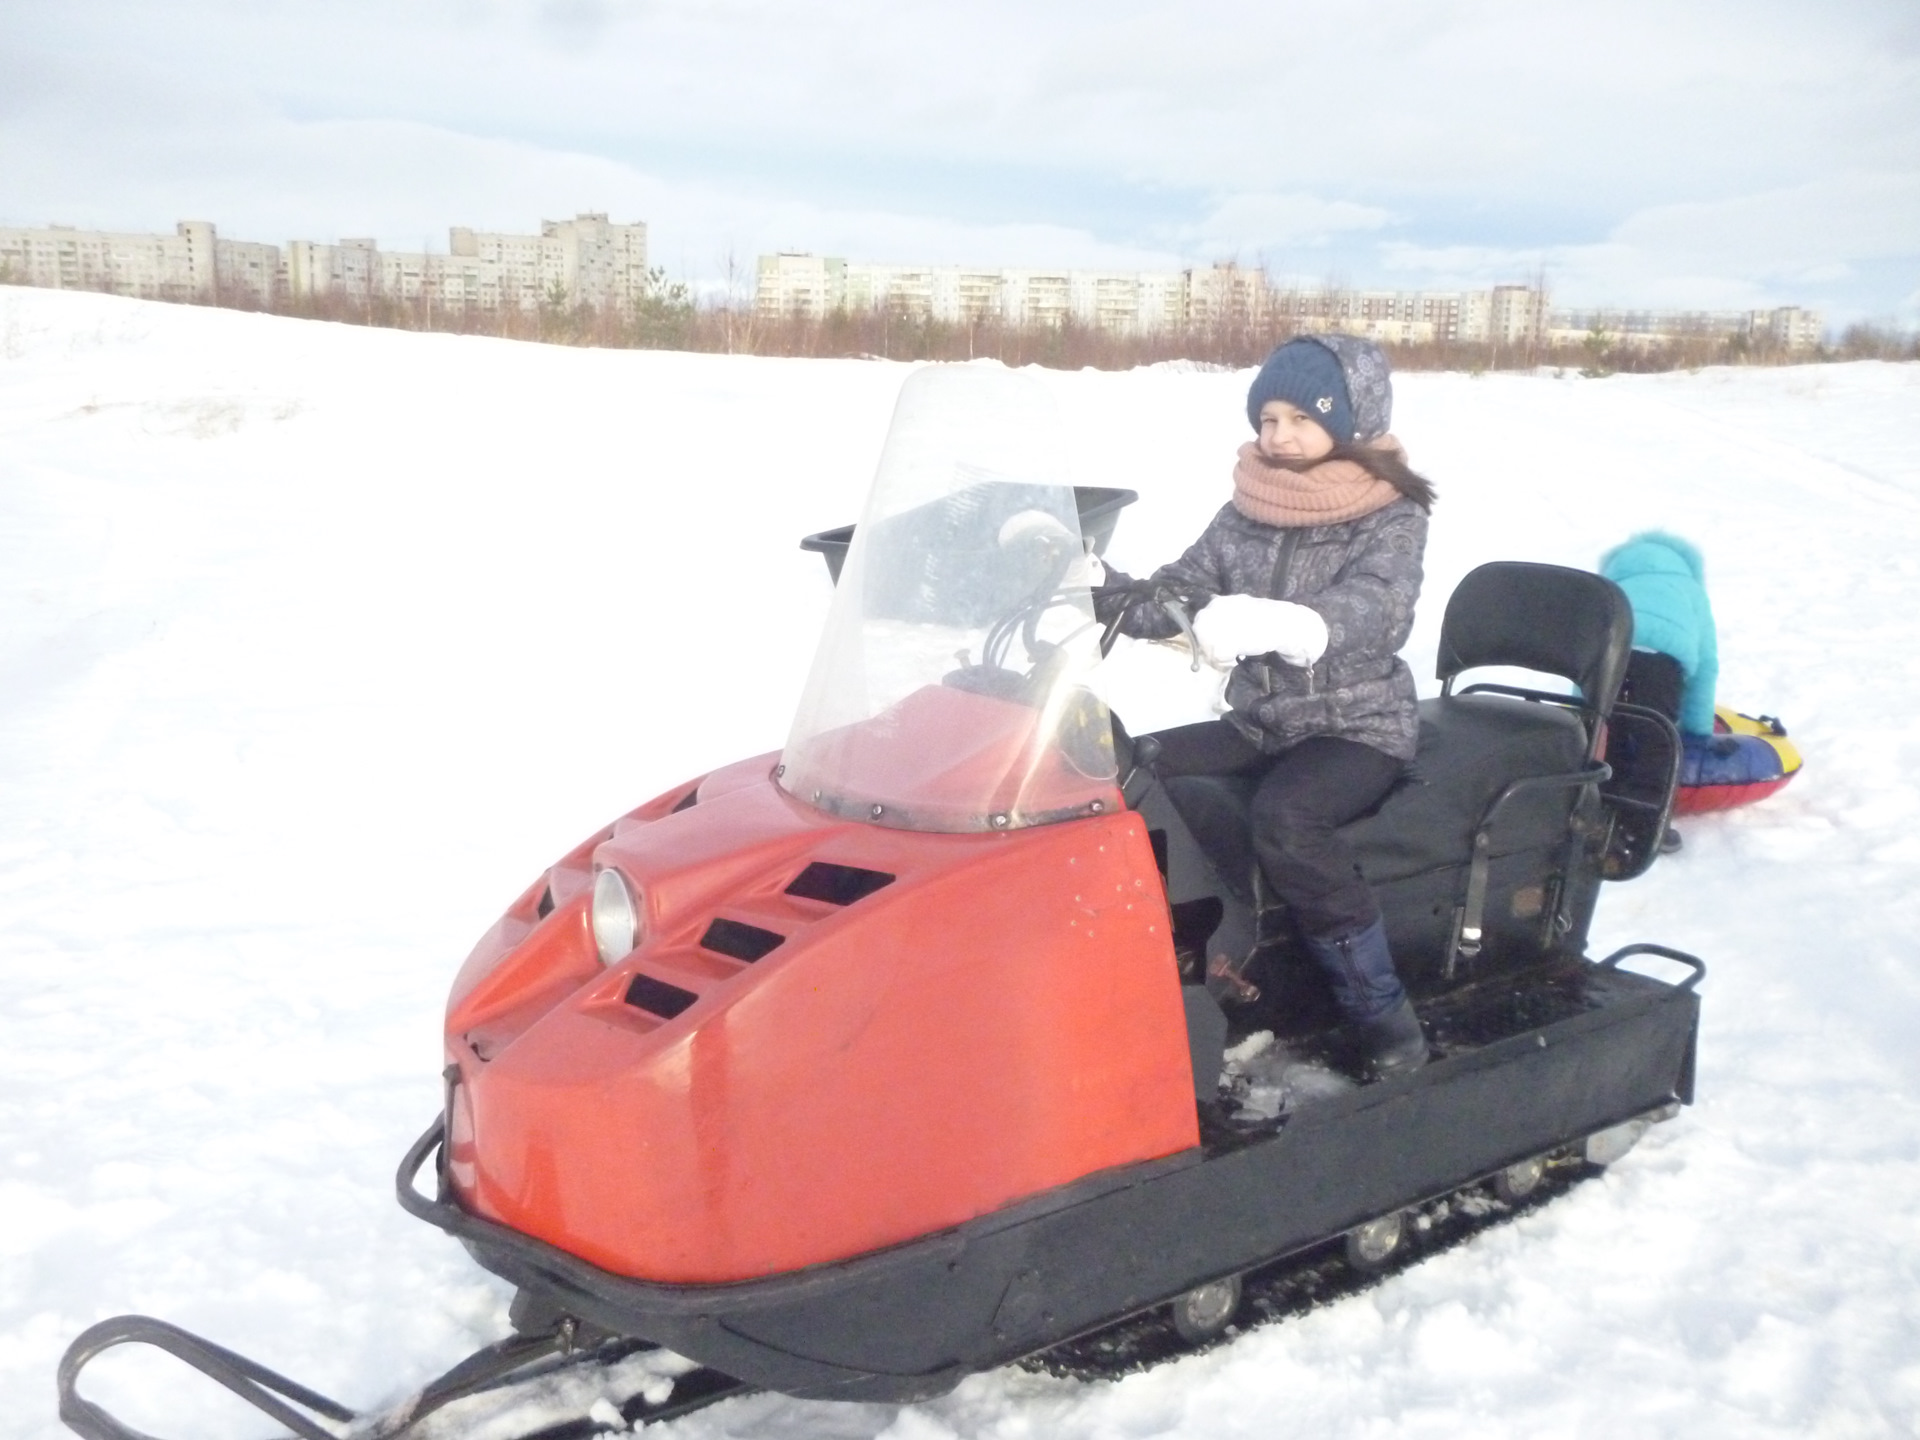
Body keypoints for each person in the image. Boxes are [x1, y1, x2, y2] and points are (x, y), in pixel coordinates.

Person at [1096, 336, 1436, 1079]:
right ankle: (1203, 958)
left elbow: (1380, 608)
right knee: (1129, 774)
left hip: (1355, 728)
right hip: (1262, 720)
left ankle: (1382, 1011)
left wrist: (1293, 625)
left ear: (1350, 421)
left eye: (1299, 419)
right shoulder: (1247, 505)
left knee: (1287, 819)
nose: (1278, 436)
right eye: (1267, 418)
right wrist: (1101, 586)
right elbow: (1181, 590)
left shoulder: (1390, 513)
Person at [1598, 532, 1718, 852]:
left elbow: (1586, 654)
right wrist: (1697, 731)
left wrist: (1585, 707)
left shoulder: (1615, 586)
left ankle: (1597, 808)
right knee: (1658, 738)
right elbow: (1706, 667)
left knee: (1609, 729)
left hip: (1613, 653)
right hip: (1661, 662)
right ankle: (1645, 826)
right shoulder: (1691, 589)